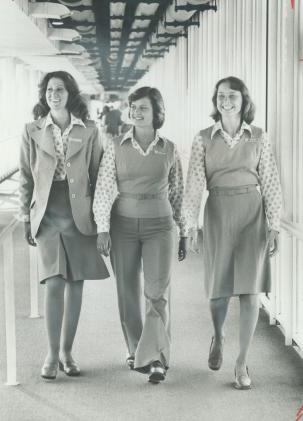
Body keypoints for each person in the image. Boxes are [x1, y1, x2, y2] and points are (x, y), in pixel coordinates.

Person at [185, 76, 282, 390]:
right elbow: (194, 185)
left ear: (244, 101)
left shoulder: (258, 137)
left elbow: (269, 181)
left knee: (250, 291)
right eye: (221, 96)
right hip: (218, 212)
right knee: (218, 289)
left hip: (251, 214)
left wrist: (274, 225)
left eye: (232, 97)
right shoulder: (203, 138)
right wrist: (190, 226)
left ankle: (241, 362)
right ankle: (220, 334)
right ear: (215, 101)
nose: (226, 102)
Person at [93, 86, 188, 384]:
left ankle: (156, 357)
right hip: (122, 226)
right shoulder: (116, 146)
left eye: (142, 107)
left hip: (160, 225)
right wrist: (103, 228)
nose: (135, 112)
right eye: (133, 107)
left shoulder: (169, 149)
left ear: (156, 112)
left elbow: (178, 193)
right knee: (127, 292)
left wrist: (183, 231)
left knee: (157, 292)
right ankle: (135, 349)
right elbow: (105, 187)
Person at [19, 71, 109, 380]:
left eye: (59, 89)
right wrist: (25, 217)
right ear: (43, 95)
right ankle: (51, 354)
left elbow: (98, 177)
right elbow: (26, 178)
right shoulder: (32, 130)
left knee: (76, 284)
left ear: (70, 93)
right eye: (48, 90)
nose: (53, 94)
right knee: (54, 283)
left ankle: (67, 352)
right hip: (46, 212)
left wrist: (102, 222)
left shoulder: (90, 130)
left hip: (79, 212)